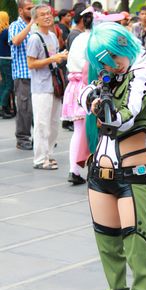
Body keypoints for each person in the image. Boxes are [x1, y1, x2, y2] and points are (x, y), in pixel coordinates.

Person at [79, 22, 146, 290]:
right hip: (99, 172)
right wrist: (93, 96)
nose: (110, 65)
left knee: (137, 249)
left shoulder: (142, 74)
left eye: (113, 57)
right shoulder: (105, 75)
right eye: (103, 61)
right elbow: (85, 96)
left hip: (132, 173)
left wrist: (102, 105)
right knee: (108, 248)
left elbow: (124, 117)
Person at [27, 4, 68, 170]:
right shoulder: (34, 38)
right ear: (36, 20)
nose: (47, 16)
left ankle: (48, 155)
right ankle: (39, 159)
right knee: (42, 124)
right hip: (40, 87)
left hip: (54, 85)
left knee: (53, 123)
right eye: (42, 15)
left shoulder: (52, 35)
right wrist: (53, 59)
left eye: (49, 13)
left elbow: (55, 58)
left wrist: (61, 57)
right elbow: (31, 63)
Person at [62, 7, 94, 185]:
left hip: (74, 86)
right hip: (86, 87)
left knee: (79, 131)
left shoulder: (79, 38)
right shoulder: (93, 39)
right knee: (90, 130)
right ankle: (86, 168)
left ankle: (74, 169)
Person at [8, 0, 34, 150]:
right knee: (24, 108)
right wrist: (31, 25)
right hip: (22, 74)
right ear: (20, 11)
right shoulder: (15, 26)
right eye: (28, 8)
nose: (31, 11)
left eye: (33, 8)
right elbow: (16, 41)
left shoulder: (36, 27)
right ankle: (22, 138)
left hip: (37, 74)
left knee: (37, 108)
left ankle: (39, 136)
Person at [0, 11, 14, 119]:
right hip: (7, 59)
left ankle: (4, 107)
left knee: (4, 84)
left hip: (1, 59)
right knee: (9, 84)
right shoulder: (6, 31)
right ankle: (3, 106)